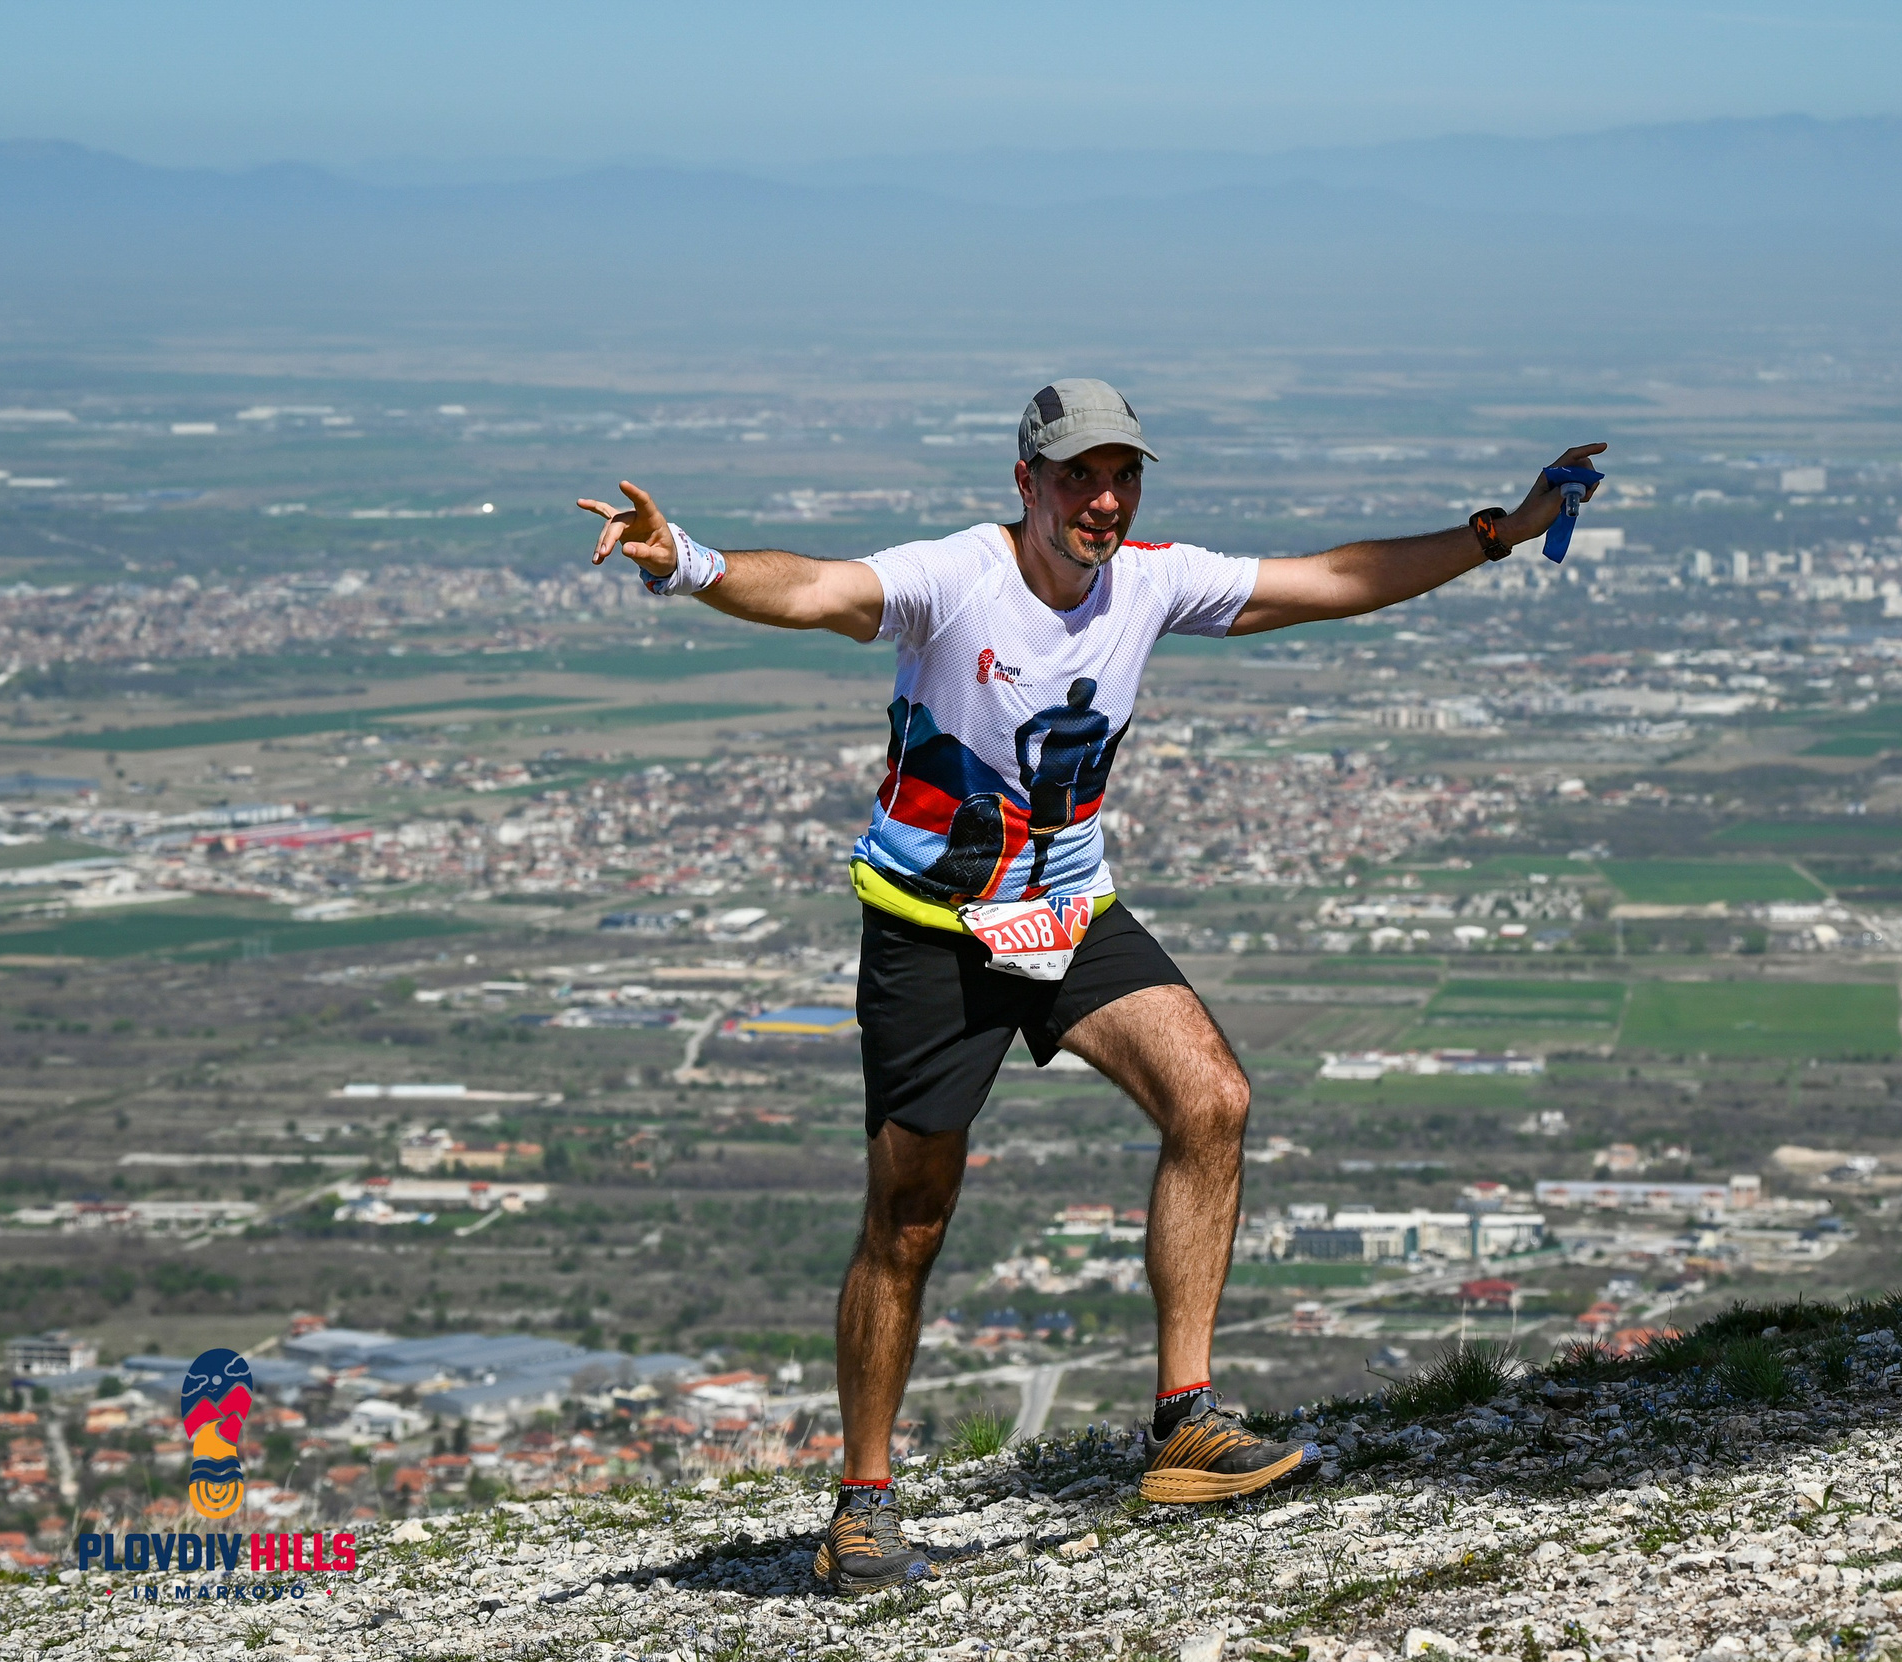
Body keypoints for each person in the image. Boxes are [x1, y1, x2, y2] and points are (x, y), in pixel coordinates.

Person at [577, 380, 1602, 1595]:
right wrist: (683, 558)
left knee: (1211, 1097)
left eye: (1122, 476)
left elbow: (1328, 580)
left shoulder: (1152, 581)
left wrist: (1500, 530)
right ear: (1026, 483)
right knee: (908, 1220)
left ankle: (1185, 1422)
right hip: (931, 931)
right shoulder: (958, 575)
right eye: (1077, 476)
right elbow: (818, 591)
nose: (1103, 500)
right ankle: (862, 1499)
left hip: (1069, 915)